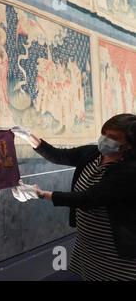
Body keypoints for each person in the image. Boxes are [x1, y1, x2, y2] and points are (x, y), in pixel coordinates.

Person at [13, 114, 136, 281]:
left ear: (128, 145)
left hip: (117, 251)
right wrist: (29, 137)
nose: (105, 139)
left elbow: (88, 199)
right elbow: (59, 156)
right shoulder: (93, 154)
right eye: (104, 134)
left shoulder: (129, 170)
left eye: (113, 137)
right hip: (89, 245)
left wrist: (40, 194)